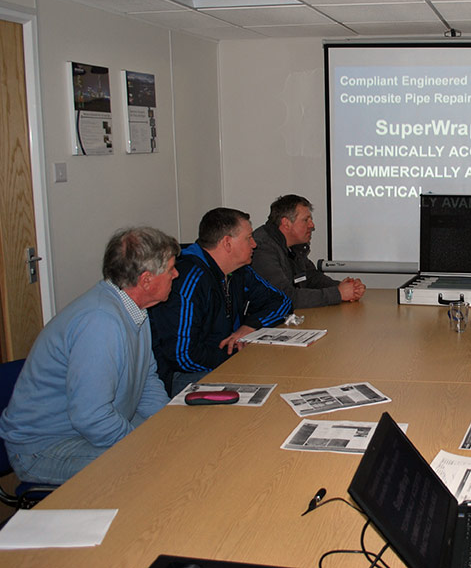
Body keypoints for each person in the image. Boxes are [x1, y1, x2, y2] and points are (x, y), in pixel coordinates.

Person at [0, 227, 178, 485]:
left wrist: (168, 423)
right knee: (155, 464)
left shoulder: (134, 309)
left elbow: (146, 380)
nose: (176, 274)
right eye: (171, 269)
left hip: (90, 429)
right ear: (146, 280)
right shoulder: (100, 322)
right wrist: (140, 445)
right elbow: (91, 416)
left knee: (178, 441)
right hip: (45, 448)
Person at [149, 208, 292, 396]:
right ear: (227, 243)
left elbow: (282, 301)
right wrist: (236, 359)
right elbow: (183, 356)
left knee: (283, 373)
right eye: (248, 238)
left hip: (225, 362)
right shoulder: (187, 279)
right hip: (185, 376)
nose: (254, 244)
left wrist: (250, 326)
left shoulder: (239, 270)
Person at [251, 194, 365, 309]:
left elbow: (311, 277)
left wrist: (346, 287)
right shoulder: (262, 249)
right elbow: (284, 297)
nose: (312, 225)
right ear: (286, 223)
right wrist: (338, 293)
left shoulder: (293, 245)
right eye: (306, 220)